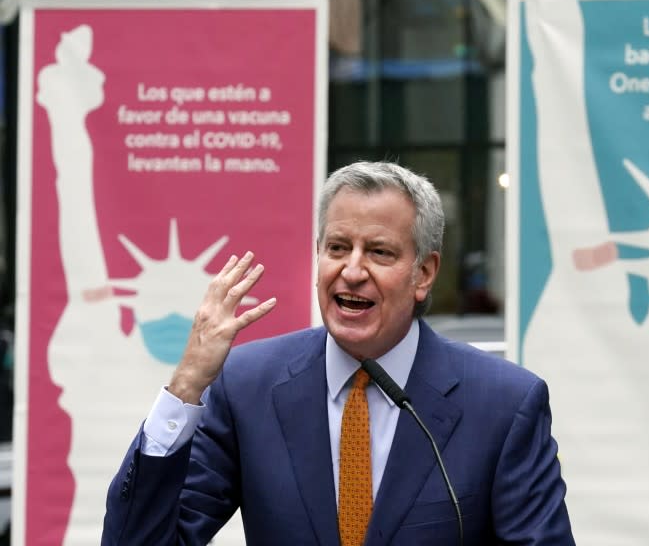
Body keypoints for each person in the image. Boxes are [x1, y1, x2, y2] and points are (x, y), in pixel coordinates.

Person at [102, 161, 575, 545]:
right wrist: (185, 386)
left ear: (424, 273)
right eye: (337, 247)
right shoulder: (247, 387)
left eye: (380, 252)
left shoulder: (504, 405)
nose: (351, 270)